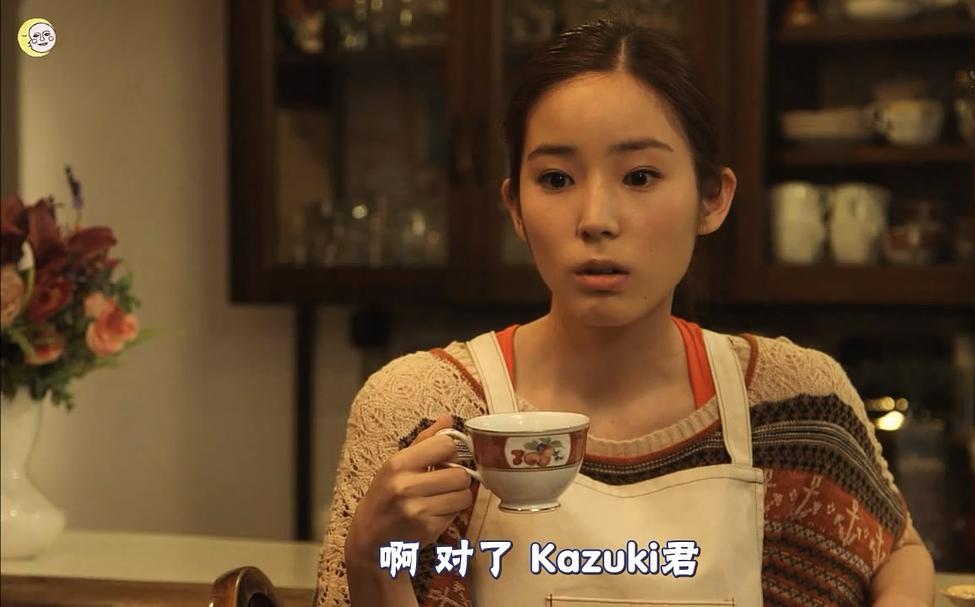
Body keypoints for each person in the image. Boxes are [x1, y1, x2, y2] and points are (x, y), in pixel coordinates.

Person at [315, 19, 935, 607]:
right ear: (516, 208)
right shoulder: (425, 409)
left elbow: (896, 551)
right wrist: (372, 555)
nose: (596, 220)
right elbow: (375, 579)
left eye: (639, 176)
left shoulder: (794, 402)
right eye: (556, 179)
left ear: (712, 198)